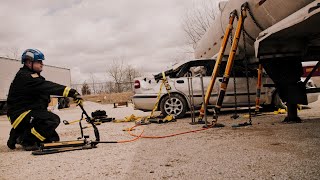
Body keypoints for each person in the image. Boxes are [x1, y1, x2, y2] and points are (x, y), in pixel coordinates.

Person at [6, 49, 83, 151]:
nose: (42, 64)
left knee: (53, 139)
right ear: (29, 62)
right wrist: (71, 92)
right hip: (21, 115)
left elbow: (42, 93)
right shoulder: (25, 76)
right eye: (39, 61)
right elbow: (48, 86)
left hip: (26, 112)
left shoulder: (32, 76)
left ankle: (17, 135)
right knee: (52, 120)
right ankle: (27, 140)